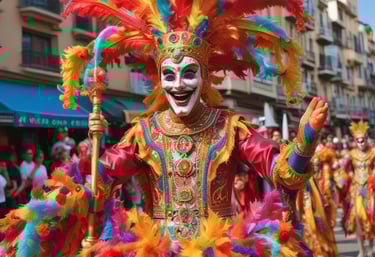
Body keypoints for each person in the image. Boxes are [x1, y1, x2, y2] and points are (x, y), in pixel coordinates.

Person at [0, 0, 329, 256]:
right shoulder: (145, 132)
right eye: (169, 75)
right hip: (158, 247)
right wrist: (86, 165)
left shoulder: (230, 128)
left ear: (204, 76)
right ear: (159, 79)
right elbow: (101, 177)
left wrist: (306, 139)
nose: (178, 85)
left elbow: (284, 173)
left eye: (188, 73)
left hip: (220, 248)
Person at [343, 121, 375, 257]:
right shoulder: (351, 154)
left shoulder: (373, 152)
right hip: (357, 190)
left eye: (363, 140)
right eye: (358, 141)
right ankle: (361, 250)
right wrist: (349, 179)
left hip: (371, 190)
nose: (361, 143)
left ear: (367, 139)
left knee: (371, 218)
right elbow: (344, 169)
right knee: (357, 219)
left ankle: (372, 246)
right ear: (355, 141)